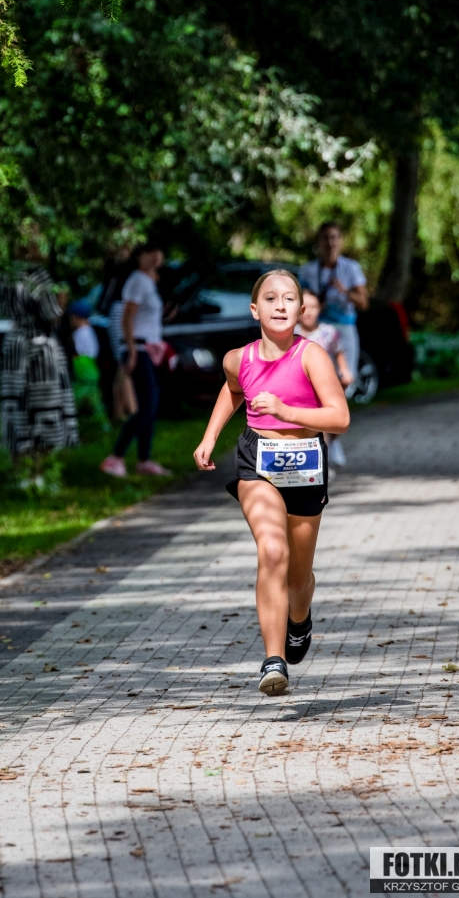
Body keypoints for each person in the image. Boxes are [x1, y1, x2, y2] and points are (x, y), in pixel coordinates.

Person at [193, 270, 350, 696]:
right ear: (254, 309)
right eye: (270, 298)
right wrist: (210, 437)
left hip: (306, 465)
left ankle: (300, 618)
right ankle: (273, 660)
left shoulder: (311, 356)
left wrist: (286, 411)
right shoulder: (237, 359)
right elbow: (233, 390)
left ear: (301, 309)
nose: (280, 305)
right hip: (257, 463)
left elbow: (340, 417)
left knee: (298, 577)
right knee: (273, 551)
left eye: (288, 299)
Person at [100, 242, 170, 478]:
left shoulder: (150, 282)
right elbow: (126, 319)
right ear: (139, 256)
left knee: (151, 405)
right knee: (145, 407)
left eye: (158, 252)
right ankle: (115, 457)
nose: (155, 256)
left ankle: (144, 459)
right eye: (150, 252)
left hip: (150, 347)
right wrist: (130, 351)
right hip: (138, 349)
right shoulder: (138, 280)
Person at [0, 266, 79, 454]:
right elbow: (51, 315)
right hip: (40, 347)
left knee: (16, 404)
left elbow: (3, 308)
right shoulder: (40, 275)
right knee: (44, 409)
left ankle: (18, 465)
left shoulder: (8, 274)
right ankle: (38, 467)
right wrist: (61, 301)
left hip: (14, 344)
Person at [299, 222, 369, 394]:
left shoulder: (351, 268)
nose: (330, 243)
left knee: (345, 378)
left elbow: (363, 302)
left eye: (333, 238)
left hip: (344, 327)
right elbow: (300, 301)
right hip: (318, 328)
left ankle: (337, 407)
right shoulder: (308, 270)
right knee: (317, 379)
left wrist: (344, 291)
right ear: (319, 242)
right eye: (325, 238)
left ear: (340, 241)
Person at [296, 288, 354, 467]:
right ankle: (319, 462)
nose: (309, 312)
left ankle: (331, 448)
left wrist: (345, 370)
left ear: (320, 308)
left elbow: (339, 352)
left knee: (330, 419)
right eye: (305, 307)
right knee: (314, 425)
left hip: (326, 383)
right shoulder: (291, 332)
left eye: (313, 307)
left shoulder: (328, 331)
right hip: (301, 385)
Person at [68, 300, 110, 430]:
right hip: (92, 371)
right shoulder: (90, 331)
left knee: (73, 399)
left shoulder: (79, 333)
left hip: (83, 373)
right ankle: (104, 424)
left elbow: (78, 353)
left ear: (75, 317)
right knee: (95, 401)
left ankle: (68, 421)